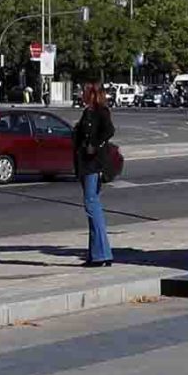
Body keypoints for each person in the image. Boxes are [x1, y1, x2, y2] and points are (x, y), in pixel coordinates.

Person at [73, 82, 117, 266]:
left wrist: (95, 145)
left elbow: (109, 131)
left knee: (92, 205)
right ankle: (96, 254)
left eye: (84, 91)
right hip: (85, 163)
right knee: (92, 206)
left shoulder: (101, 111)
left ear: (92, 94)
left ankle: (102, 254)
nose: (81, 94)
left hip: (94, 163)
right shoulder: (87, 112)